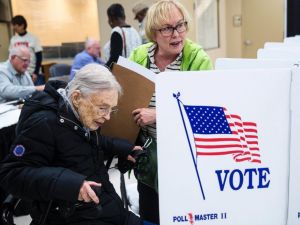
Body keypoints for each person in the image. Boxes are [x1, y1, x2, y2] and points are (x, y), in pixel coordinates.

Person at [0, 64, 143, 225]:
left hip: (104, 207)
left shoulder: (80, 114)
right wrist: (72, 185)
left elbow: (83, 142)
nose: (107, 117)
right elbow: (11, 175)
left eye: (111, 109)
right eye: (103, 108)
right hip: (70, 216)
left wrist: (122, 147)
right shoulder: (44, 123)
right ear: (76, 98)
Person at [129, 0, 213, 224]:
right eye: (167, 28)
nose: (176, 34)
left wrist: (159, 114)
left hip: (185, 156)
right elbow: (125, 101)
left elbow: (205, 113)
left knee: (184, 215)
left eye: (181, 25)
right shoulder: (139, 56)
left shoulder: (197, 59)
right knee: (151, 213)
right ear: (153, 33)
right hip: (148, 154)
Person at [10, 15, 44, 85]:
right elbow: (11, 57)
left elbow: (39, 56)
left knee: (38, 95)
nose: (13, 27)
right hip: (19, 75)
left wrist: (36, 73)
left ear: (22, 25)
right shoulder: (13, 39)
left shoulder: (33, 38)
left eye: (15, 25)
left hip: (33, 74)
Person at [105, 3, 142, 69]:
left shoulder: (117, 31)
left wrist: (103, 69)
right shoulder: (135, 31)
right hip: (137, 71)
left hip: (124, 73)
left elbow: (114, 59)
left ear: (111, 19)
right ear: (124, 16)